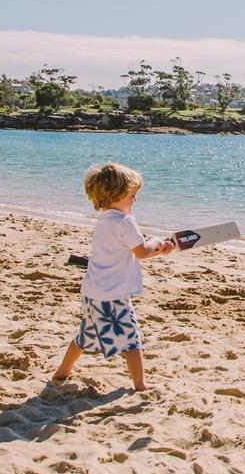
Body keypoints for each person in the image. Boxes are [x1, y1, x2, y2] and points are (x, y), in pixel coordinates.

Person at [51, 162, 177, 391]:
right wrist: (157, 244)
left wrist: (151, 244)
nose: (134, 201)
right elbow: (141, 252)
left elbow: (126, 246)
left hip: (92, 291)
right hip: (113, 295)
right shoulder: (125, 221)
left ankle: (62, 373)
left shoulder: (104, 220)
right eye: (131, 195)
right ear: (116, 195)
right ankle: (140, 385)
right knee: (131, 340)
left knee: (86, 334)